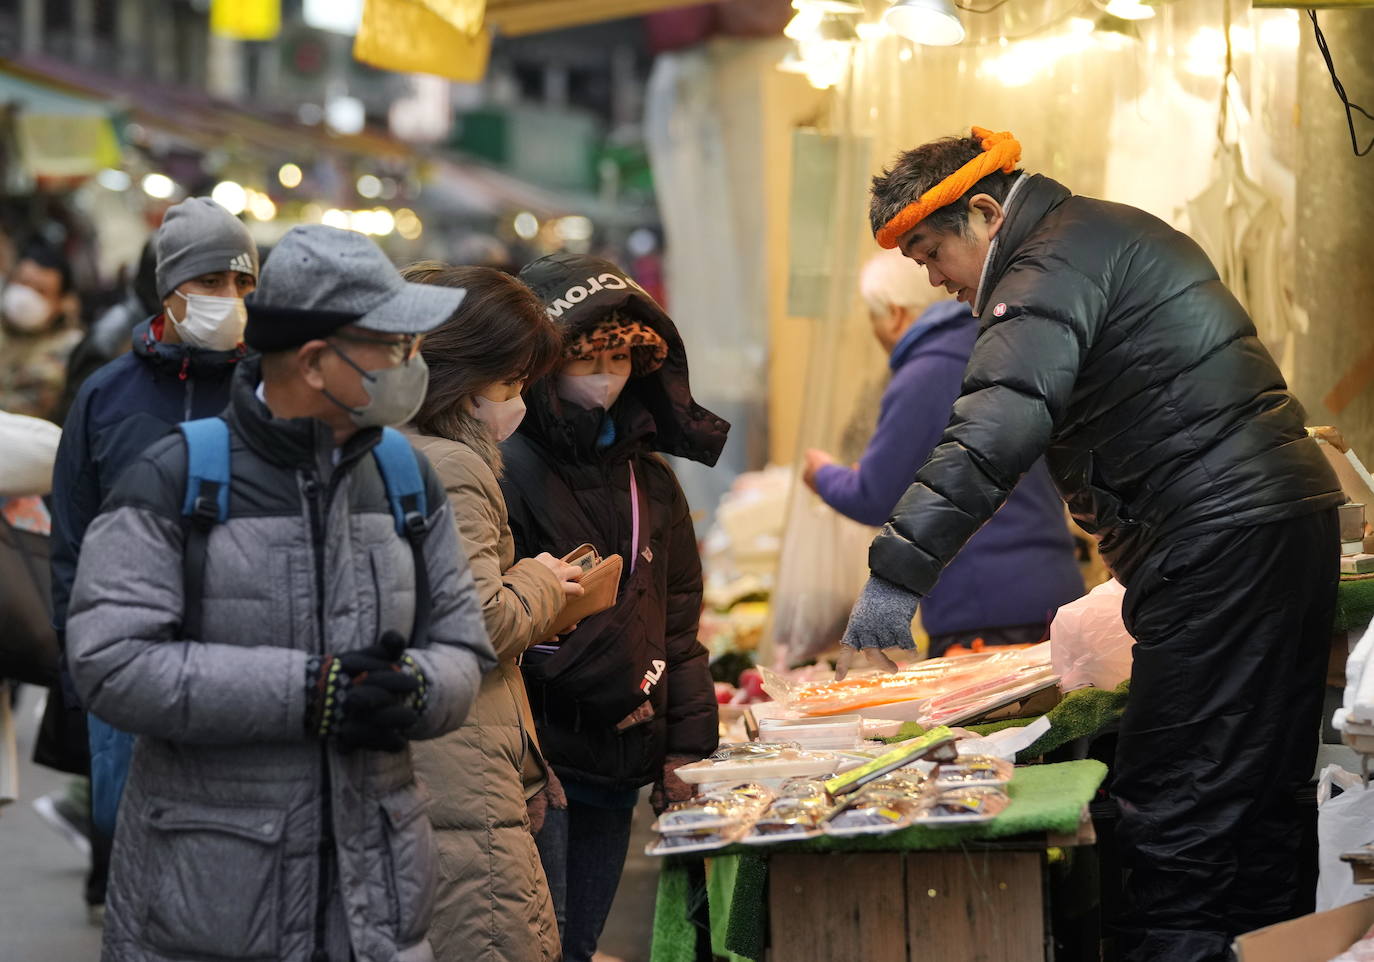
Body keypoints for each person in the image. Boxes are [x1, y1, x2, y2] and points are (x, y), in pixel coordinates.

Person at [841, 127, 1344, 961]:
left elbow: (990, 433)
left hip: (1217, 540)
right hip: (1276, 524)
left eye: (932, 252)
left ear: (985, 210)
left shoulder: (1043, 267)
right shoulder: (1095, 233)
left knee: (1176, 805)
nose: (930, 278)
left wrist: (892, 582)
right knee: (1257, 794)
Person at [64, 224, 496, 962]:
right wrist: (309, 692)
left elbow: (463, 641)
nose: (409, 364)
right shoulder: (175, 479)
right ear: (317, 362)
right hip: (213, 903)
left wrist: (412, 690)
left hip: (377, 902)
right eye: (391, 346)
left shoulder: (405, 476)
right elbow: (112, 663)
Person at [39, 196, 260, 922]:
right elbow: (69, 539)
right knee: (132, 849)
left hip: (241, 661)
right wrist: (82, 665)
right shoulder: (105, 396)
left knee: (230, 862)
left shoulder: (266, 392)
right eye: (211, 283)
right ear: (169, 290)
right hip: (127, 664)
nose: (230, 300)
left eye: (241, 285)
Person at [502, 253, 726, 962]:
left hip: (617, 759)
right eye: (588, 358)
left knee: (579, 942)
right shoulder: (499, 468)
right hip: (532, 763)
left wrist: (687, 747)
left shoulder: (652, 481)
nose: (608, 375)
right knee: (532, 945)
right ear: (540, 365)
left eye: (624, 358)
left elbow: (679, 624)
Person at [399, 262, 578, 962]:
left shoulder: (384, 453)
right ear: (458, 378)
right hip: (459, 771)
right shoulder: (451, 466)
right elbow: (477, 620)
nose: (517, 404)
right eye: (507, 385)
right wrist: (540, 583)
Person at [803, 250, 1083, 656]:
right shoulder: (999, 347)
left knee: (990, 722)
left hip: (985, 611)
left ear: (896, 315)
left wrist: (823, 474)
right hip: (1052, 588)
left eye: (872, 317)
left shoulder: (925, 374)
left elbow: (874, 496)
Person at [0, 241, 83, 422]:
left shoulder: (66, 348)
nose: (25, 297)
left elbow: (23, 413)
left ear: (61, 303)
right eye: (23, 283)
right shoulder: (4, 323)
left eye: (41, 290)